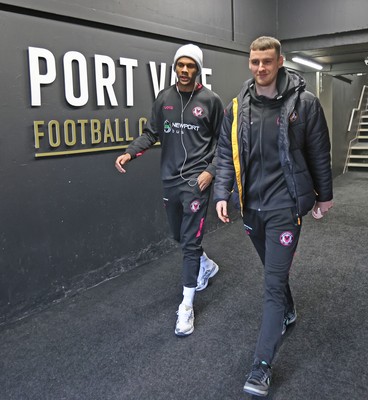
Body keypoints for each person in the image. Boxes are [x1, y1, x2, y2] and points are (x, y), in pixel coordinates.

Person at [214, 36, 333, 397]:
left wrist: (323, 197)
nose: (260, 68)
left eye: (267, 61)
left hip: (284, 208)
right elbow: (224, 152)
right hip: (252, 207)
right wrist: (222, 192)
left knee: (270, 286)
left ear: (280, 61)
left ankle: (261, 366)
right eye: (254, 62)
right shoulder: (237, 107)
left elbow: (319, 152)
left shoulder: (305, 103)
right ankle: (289, 308)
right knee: (273, 274)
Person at [115, 44, 224, 337]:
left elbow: (224, 143)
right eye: (181, 66)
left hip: (196, 183)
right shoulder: (164, 98)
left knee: (189, 243)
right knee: (179, 236)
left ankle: (186, 306)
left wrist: (210, 171)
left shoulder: (211, 101)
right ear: (174, 67)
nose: (185, 71)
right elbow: (152, 132)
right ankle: (205, 264)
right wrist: (130, 152)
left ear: (198, 68)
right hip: (170, 181)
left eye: (190, 66)